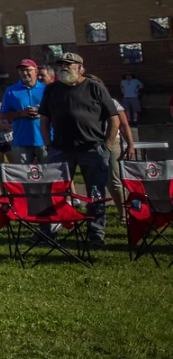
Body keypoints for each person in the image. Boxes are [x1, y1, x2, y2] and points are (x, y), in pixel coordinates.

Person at [40, 53, 120, 246]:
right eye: (60, 65)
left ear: (80, 67)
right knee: (54, 192)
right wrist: (48, 144)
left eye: (68, 65)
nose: (63, 68)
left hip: (92, 149)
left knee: (95, 193)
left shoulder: (94, 88)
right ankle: (51, 231)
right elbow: (44, 120)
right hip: (60, 150)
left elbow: (114, 119)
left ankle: (96, 234)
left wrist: (107, 146)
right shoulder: (51, 90)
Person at [0, 60, 48, 164]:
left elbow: (57, 112)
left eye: (27, 70)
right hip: (21, 141)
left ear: (36, 71)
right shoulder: (11, 91)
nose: (24, 73)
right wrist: (21, 114)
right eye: (21, 70)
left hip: (45, 140)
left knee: (50, 175)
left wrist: (41, 113)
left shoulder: (46, 89)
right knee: (25, 176)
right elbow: (3, 115)